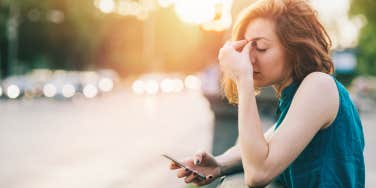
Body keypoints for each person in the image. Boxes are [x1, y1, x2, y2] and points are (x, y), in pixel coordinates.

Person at [168, 0, 365, 187]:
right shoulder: (295, 97)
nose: (249, 59)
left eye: (261, 47)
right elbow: (266, 142)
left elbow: (258, 174)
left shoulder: (319, 85)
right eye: (245, 48)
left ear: (294, 47)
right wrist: (217, 164)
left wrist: (242, 78)